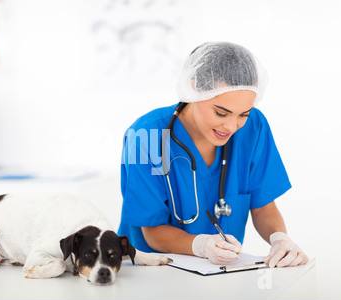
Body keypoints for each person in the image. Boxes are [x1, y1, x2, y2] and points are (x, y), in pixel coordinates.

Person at [118, 42, 309, 268]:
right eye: (221, 112)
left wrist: (280, 239)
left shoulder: (254, 127)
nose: (231, 126)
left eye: (243, 114)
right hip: (152, 270)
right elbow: (152, 231)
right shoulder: (145, 136)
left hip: (219, 272)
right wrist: (201, 245)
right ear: (194, 89)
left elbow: (263, 206)